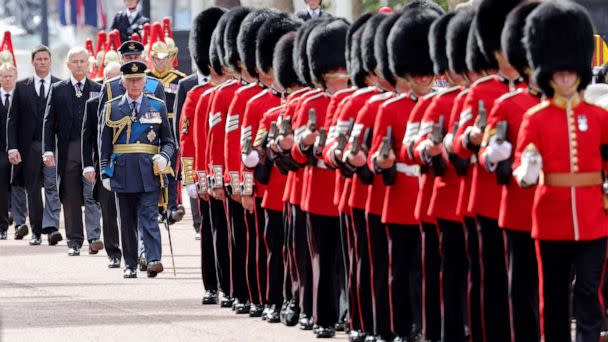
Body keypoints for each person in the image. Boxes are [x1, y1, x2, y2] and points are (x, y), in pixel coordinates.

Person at [514, 1, 608, 340]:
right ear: (547, 73)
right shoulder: (534, 118)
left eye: (571, 71)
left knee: (588, 291)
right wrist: (527, 170)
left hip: (593, 216)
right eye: (558, 71)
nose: (566, 76)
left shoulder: (599, 117)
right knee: (552, 297)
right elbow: (521, 167)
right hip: (551, 216)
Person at [99, 60, 176, 279]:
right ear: (123, 82)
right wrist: (105, 171)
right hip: (122, 171)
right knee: (127, 220)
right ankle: (130, 263)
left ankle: (153, 259)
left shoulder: (157, 105)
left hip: (149, 170)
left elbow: (169, 141)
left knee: (149, 216)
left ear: (145, 81)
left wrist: (164, 156)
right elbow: (104, 144)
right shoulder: (112, 107)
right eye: (130, 80)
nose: (134, 85)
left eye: (138, 80)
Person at [178, 7, 225, 305]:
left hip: (230, 175)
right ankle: (211, 284)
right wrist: (191, 176)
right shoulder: (197, 94)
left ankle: (232, 285)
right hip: (206, 177)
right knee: (210, 234)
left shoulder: (236, 93)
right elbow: (187, 138)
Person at [43, 47, 103, 256]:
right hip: (68, 151)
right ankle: (74, 241)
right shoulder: (58, 89)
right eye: (75, 61)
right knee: (70, 197)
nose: (78, 65)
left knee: (92, 195)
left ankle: (94, 237)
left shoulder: (98, 88)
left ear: (89, 64)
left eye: (82, 61)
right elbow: (49, 122)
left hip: (91, 152)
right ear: (67, 64)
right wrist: (48, 150)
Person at [7, 45, 62, 246]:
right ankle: (37, 231)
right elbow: (12, 120)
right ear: (32, 62)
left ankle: (52, 228)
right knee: (32, 190)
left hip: (53, 146)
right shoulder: (21, 87)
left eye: (45, 59)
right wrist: (12, 147)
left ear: (50, 61)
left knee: (52, 187)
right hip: (29, 147)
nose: (42, 62)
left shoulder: (60, 85)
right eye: (38, 59)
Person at [82, 62, 123, 268]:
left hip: (128, 164)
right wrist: (88, 165)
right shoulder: (93, 104)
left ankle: (137, 249)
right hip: (105, 165)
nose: (112, 83)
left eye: (116, 78)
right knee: (108, 210)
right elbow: (87, 137)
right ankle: (114, 251)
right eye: (108, 78)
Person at [146, 28, 186, 224]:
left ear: (171, 58)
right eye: (157, 58)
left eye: (165, 57)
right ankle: (155, 207)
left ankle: (171, 207)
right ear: (152, 58)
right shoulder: (145, 78)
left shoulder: (179, 79)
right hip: (150, 126)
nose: (161, 61)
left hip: (171, 125)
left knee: (171, 170)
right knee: (153, 168)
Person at [0, 62, 15, 240]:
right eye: (4, 76)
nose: (7, 79)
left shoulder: (20, 96)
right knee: (2, 189)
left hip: (18, 148)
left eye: (10, 76)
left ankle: (19, 220)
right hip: (1, 151)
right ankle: (3, 225)